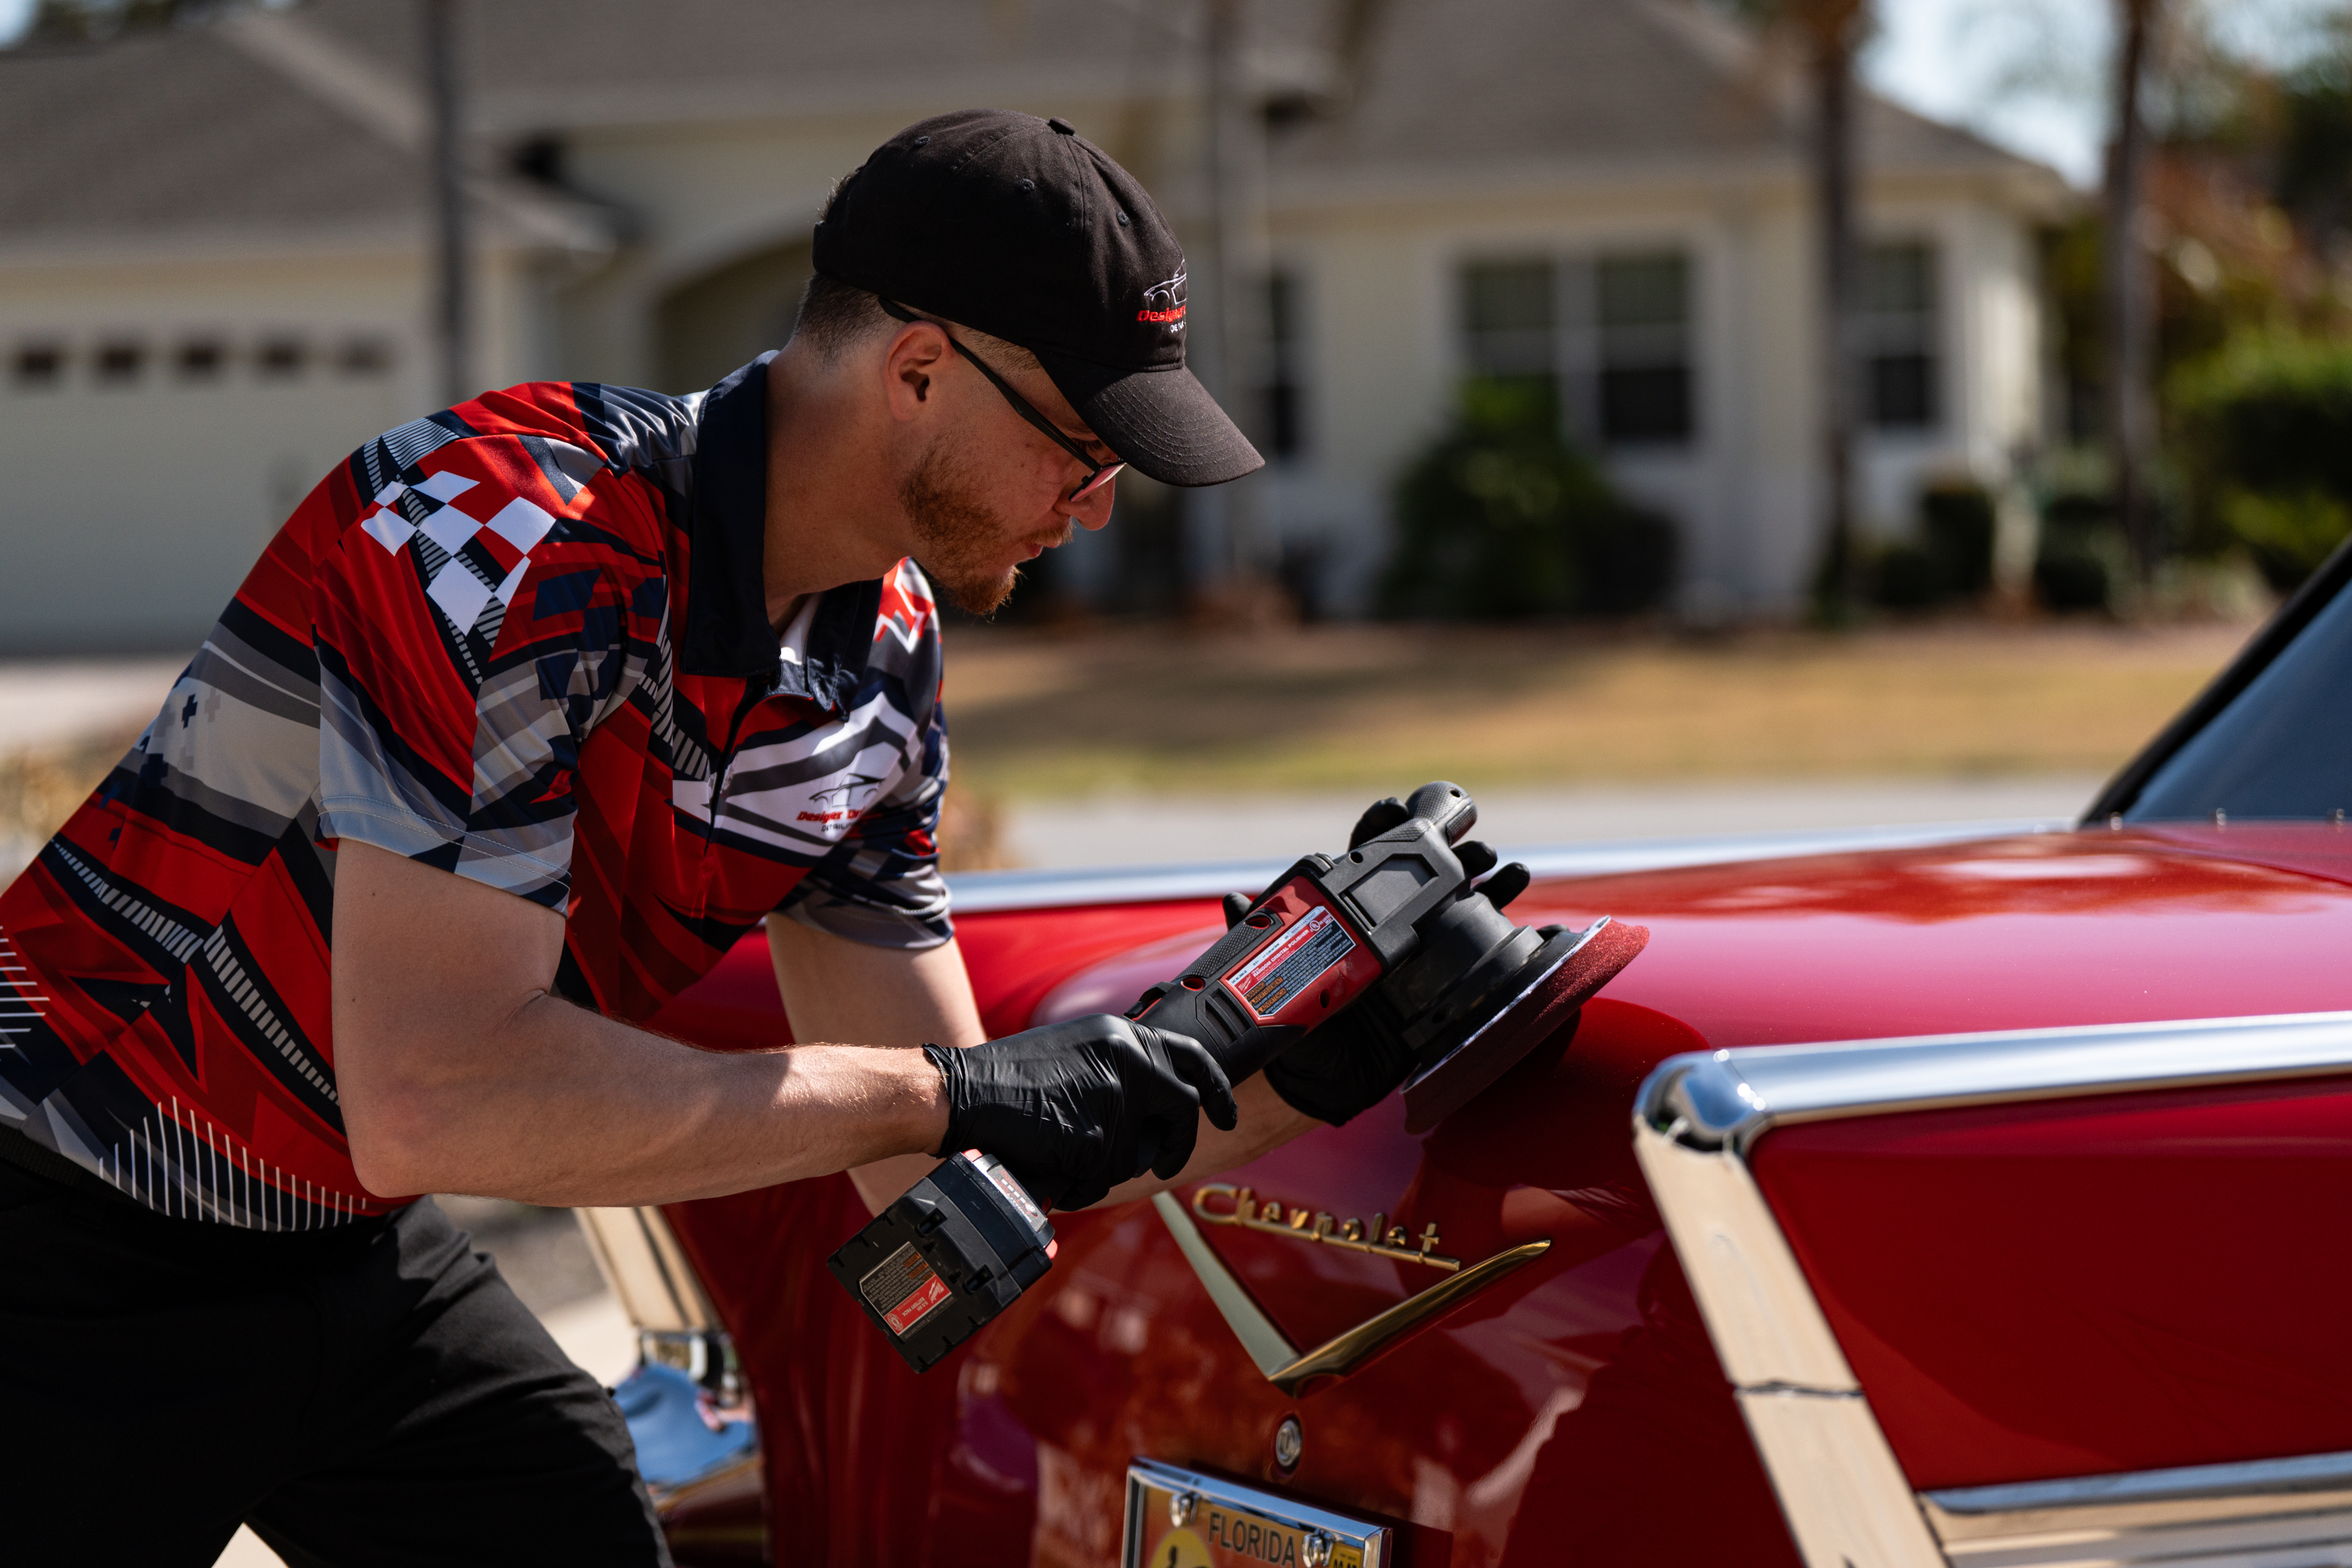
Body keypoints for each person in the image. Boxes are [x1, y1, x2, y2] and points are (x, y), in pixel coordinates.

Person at [0, 110, 1345, 1566]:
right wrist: (946, 1093)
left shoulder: (881, 655)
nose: (1099, 509)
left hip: (341, 1228)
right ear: (917, 372)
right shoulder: (503, 535)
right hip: (59, 1221)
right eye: (1085, 449)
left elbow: (940, 1169)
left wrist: (1291, 1065)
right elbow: (442, 1097)